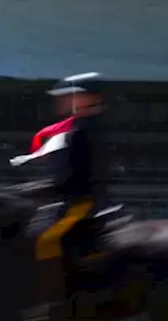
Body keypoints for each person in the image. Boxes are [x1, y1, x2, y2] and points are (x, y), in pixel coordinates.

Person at [31, 72, 110, 306]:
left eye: (69, 96)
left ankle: (53, 297)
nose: (63, 101)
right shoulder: (76, 127)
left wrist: (45, 188)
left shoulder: (84, 129)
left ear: (84, 98)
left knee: (46, 239)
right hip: (69, 197)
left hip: (81, 201)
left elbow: (75, 174)